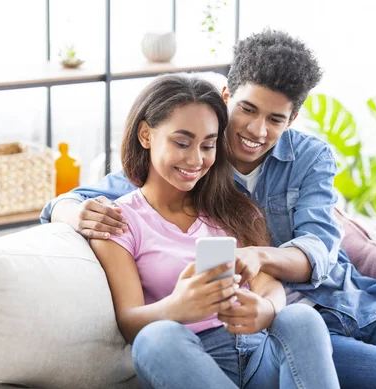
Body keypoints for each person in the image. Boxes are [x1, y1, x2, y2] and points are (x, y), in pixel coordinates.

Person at [42, 30, 376, 388]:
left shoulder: (308, 157)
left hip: (343, 300)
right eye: (247, 109)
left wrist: (260, 261)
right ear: (227, 97)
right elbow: (116, 193)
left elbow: (319, 249)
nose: (256, 130)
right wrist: (66, 211)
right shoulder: (193, 157)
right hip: (272, 323)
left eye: (275, 119)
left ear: (293, 119)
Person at [87, 73, 340, 389]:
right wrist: (176, 307)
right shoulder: (118, 221)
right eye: (182, 142)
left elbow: (267, 284)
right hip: (191, 359)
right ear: (146, 135)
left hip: (259, 356)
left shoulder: (234, 209)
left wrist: (266, 307)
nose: (196, 159)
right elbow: (129, 321)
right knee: (156, 338)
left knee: (301, 318)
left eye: (208, 145)